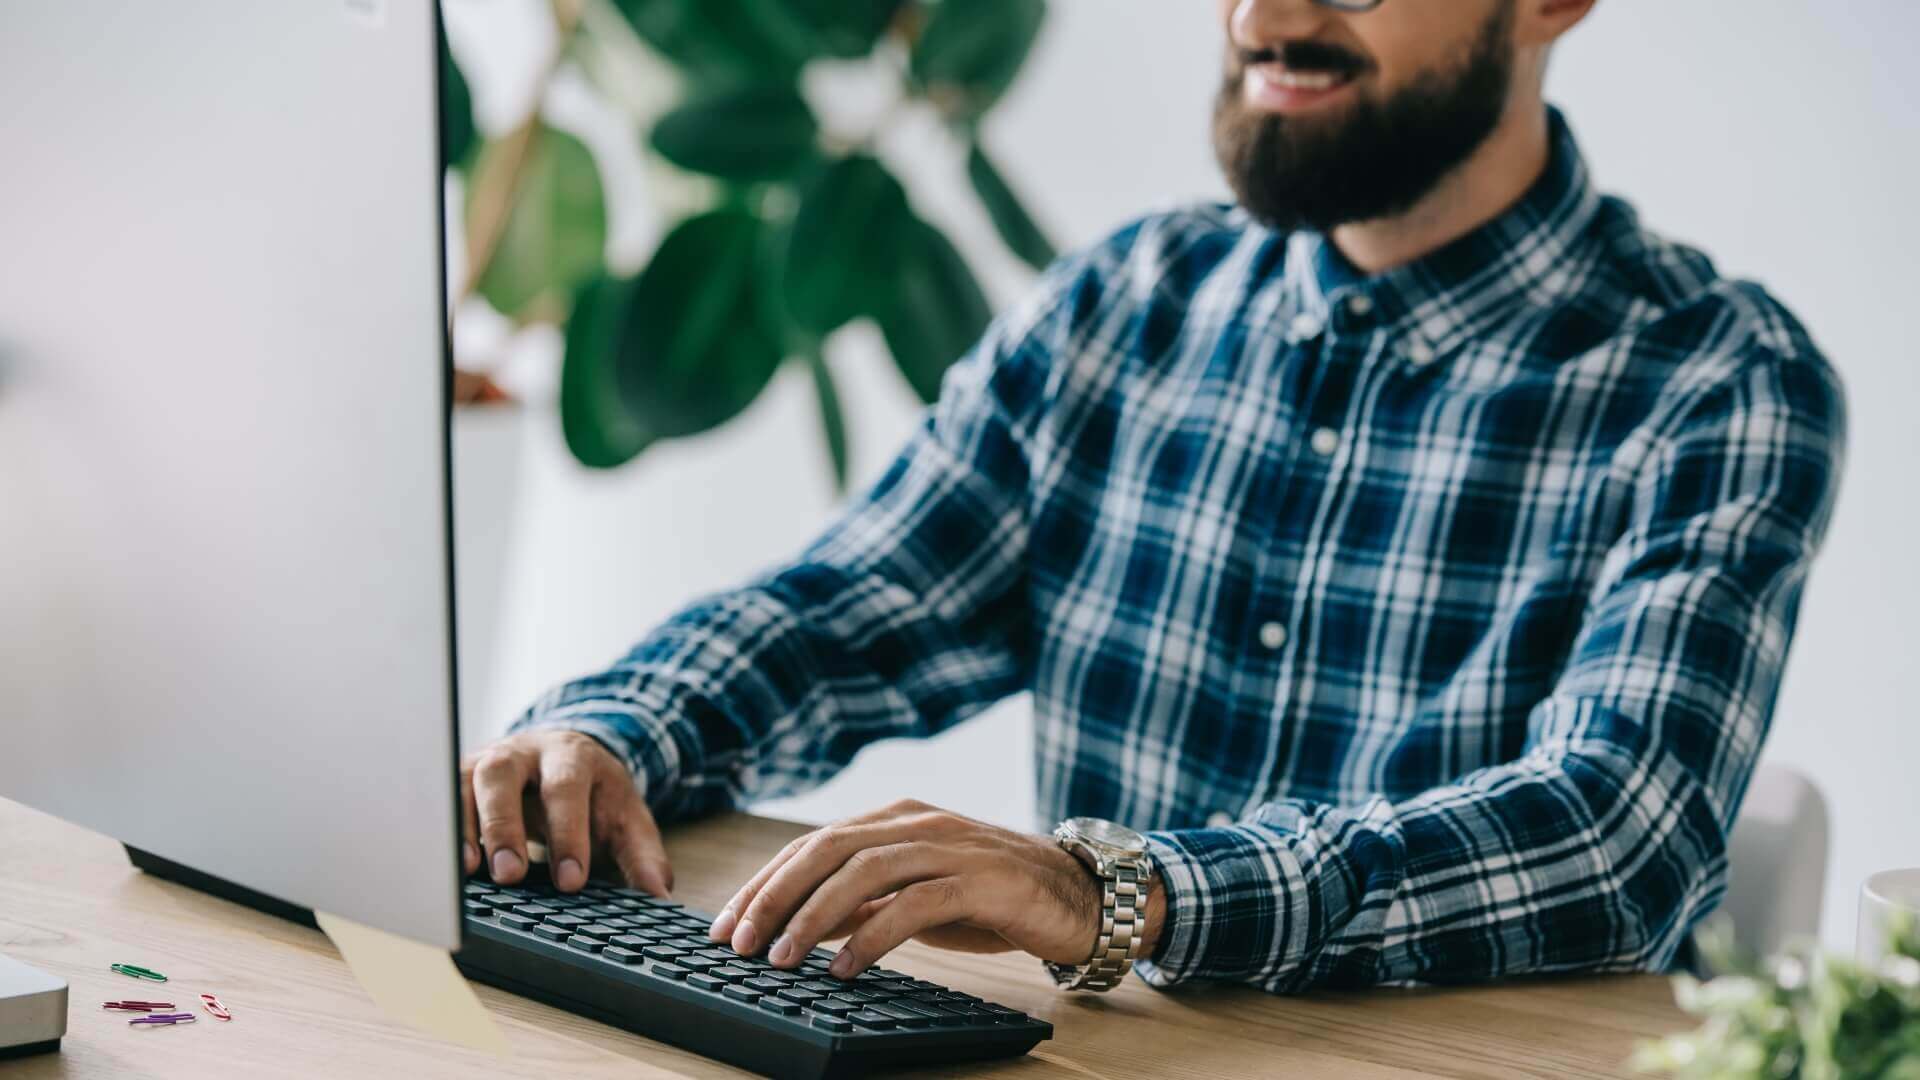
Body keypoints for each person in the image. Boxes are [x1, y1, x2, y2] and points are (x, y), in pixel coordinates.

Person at [461, 0, 1847, 995]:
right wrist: (617, 728)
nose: (1266, 20)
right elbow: (862, 603)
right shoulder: (1129, 300)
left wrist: (1121, 894)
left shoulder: (1718, 379)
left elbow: (1618, 835)